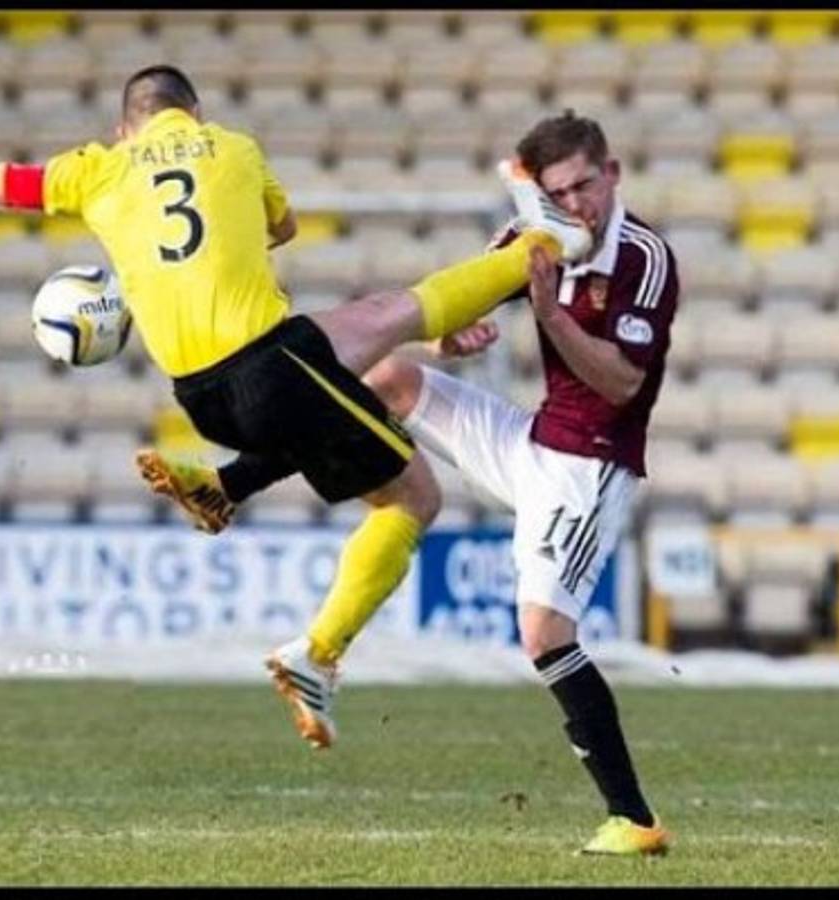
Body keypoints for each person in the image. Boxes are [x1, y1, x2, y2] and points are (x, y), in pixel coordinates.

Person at [0, 66, 590, 752]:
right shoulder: (236, 149)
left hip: (203, 393)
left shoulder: (96, 171)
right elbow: (279, 228)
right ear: (196, 114)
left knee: (382, 331)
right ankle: (315, 655)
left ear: (125, 126)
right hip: (265, 365)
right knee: (413, 495)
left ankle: (225, 485)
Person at [165, 111, 678, 856]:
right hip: (531, 441)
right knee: (390, 376)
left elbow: (623, 382)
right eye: (559, 195)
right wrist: (449, 337)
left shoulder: (643, 258)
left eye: (584, 187)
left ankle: (632, 820)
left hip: (589, 464)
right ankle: (229, 487)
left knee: (543, 634)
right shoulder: (532, 236)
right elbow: (456, 305)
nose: (576, 207)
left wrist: (546, 313)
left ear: (613, 174)